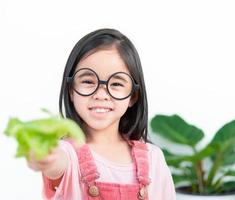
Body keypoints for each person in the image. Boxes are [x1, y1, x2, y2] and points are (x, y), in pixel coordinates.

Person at [27, 28, 176, 200]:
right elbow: (55, 165)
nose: (101, 94)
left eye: (117, 84)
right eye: (88, 81)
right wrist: (45, 156)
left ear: (133, 96)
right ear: (71, 91)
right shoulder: (67, 153)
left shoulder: (153, 158)